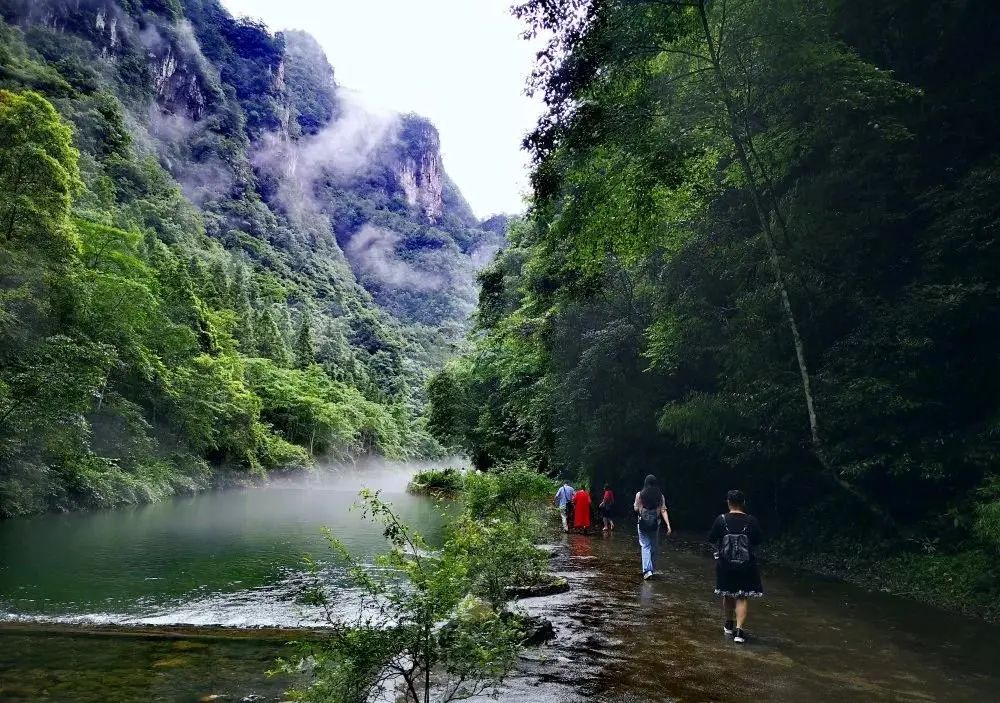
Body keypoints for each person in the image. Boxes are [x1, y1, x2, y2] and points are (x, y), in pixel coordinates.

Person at [708, 489, 764, 644]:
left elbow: (711, 539)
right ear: (743, 503)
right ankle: (739, 631)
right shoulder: (752, 521)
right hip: (747, 565)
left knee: (727, 594)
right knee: (742, 596)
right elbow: (758, 540)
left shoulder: (721, 520)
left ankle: (728, 623)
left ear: (728, 502)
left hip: (725, 564)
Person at [634, 474, 672, 580]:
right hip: (655, 524)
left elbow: (636, 509)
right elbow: (663, 510)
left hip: (642, 524)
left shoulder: (639, 495)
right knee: (654, 546)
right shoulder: (660, 496)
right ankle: (652, 569)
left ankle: (647, 571)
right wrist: (668, 525)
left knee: (645, 545)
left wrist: (641, 509)